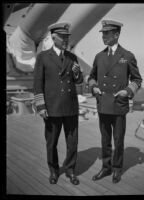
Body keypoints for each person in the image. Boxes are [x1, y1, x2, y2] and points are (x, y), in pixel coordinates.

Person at [88, 20, 142, 183]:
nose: (103, 37)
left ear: (116, 34)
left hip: (118, 105)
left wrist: (127, 91)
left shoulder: (127, 56)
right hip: (103, 103)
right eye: (103, 34)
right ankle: (106, 167)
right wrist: (94, 87)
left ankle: (117, 169)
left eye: (106, 33)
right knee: (105, 140)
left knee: (118, 140)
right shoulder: (99, 56)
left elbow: (137, 79)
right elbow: (91, 77)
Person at [33, 22, 83, 185]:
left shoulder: (72, 57)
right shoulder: (42, 57)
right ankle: (54, 170)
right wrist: (41, 106)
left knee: (72, 142)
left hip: (70, 107)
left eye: (67, 37)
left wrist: (78, 73)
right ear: (53, 38)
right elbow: (37, 84)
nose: (66, 40)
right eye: (62, 37)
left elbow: (79, 81)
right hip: (52, 107)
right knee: (51, 143)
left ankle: (70, 170)